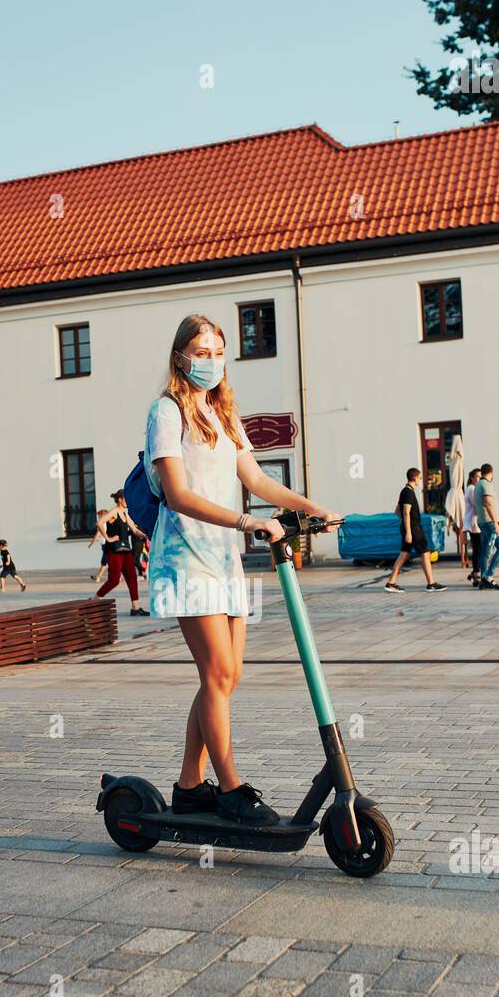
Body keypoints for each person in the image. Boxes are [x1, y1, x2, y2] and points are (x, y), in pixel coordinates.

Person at [145, 312, 340, 825]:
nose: (210, 361)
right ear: (181, 357)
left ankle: (190, 786)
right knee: (217, 672)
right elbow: (177, 493)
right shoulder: (167, 413)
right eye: (201, 352)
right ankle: (230, 789)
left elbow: (255, 478)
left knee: (225, 679)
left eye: (217, 352)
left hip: (225, 558)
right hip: (185, 556)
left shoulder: (223, 414)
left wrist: (309, 507)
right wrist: (246, 520)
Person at [384, 468, 446, 592]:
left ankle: (391, 582)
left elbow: (397, 511)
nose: (420, 480)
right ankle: (431, 583)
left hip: (411, 527)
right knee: (425, 553)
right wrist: (408, 531)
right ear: (415, 477)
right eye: (419, 477)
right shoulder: (408, 492)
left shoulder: (406, 491)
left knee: (404, 554)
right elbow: (405, 513)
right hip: (413, 528)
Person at [94, 492, 149, 616]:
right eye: (126, 499)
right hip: (114, 551)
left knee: (132, 577)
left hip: (125, 550)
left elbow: (134, 530)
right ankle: (95, 599)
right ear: (120, 500)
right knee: (114, 580)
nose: (128, 501)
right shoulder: (114, 512)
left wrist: (147, 536)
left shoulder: (125, 513)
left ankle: (135, 607)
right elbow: (99, 523)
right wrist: (108, 538)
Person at [474, 463, 499, 590]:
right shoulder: (486, 485)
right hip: (489, 523)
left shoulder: (478, 485)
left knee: (485, 553)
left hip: (483, 522)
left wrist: (498, 515)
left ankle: (485, 580)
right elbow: (488, 504)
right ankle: (488, 575)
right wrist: (496, 522)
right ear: (491, 474)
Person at [464, 468, 482, 586]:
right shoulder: (471, 489)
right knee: (478, 549)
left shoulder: (474, 488)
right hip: (474, 523)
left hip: (476, 523)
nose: (480, 479)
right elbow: (477, 504)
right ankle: (476, 573)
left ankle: (475, 572)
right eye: (478, 477)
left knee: (479, 549)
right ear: (472, 478)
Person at [89, 509, 111, 585]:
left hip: (106, 545)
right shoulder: (107, 523)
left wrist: (92, 542)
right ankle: (99, 576)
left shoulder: (102, 524)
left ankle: (98, 577)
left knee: (104, 561)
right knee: (107, 561)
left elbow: (98, 534)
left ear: (103, 516)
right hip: (105, 544)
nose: (98, 518)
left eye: (99, 516)